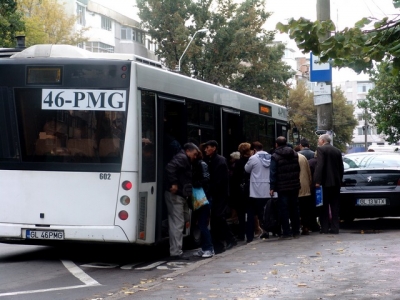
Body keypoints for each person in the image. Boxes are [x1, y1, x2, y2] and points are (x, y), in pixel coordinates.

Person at [165, 142, 199, 259]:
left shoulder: (184, 158)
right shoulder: (182, 158)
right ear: (188, 151)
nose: (195, 157)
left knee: (182, 220)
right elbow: (170, 167)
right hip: (177, 195)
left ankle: (176, 248)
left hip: (181, 195)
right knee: (178, 223)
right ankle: (176, 252)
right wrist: (174, 183)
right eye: (194, 154)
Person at [203, 140, 237, 253]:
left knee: (218, 217)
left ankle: (230, 239)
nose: (206, 150)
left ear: (214, 148)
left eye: (208, 147)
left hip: (220, 194)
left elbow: (218, 180)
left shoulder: (220, 161)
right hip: (217, 193)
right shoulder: (212, 160)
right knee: (215, 219)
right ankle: (219, 244)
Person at [269, 136, 301, 239]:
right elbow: (297, 169)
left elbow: (273, 172)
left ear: (276, 144)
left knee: (284, 209)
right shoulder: (295, 154)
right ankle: (296, 231)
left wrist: (272, 187)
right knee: (294, 208)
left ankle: (286, 232)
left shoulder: (275, 156)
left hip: (282, 186)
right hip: (294, 185)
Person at [314, 134, 344, 234]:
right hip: (336, 182)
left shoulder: (321, 150)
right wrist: (340, 180)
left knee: (324, 206)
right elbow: (341, 167)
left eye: (319, 140)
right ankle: (335, 228)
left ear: (322, 141)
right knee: (335, 206)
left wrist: (317, 181)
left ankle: (325, 228)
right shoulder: (337, 150)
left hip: (324, 183)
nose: (318, 142)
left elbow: (320, 166)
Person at [245, 141, 271, 240]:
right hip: (268, 189)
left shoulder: (253, 158)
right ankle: (266, 231)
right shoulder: (270, 156)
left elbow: (247, 169)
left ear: (254, 150)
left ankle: (249, 237)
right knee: (266, 213)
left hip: (255, 191)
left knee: (251, 213)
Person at [192, 149, 214, 258]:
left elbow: (206, 179)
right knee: (201, 223)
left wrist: (195, 183)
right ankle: (205, 247)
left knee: (202, 224)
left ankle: (209, 248)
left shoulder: (200, 164)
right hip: (201, 196)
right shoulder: (199, 164)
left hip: (203, 197)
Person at [232, 143, 252, 242]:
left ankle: (241, 234)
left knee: (241, 214)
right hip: (250, 189)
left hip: (240, 191)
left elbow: (235, 178)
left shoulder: (238, 163)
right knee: (250, 213)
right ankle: (250, 234)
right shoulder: (252, 161)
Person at [297, 152, 313, 235]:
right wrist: (309, 184)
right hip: (305, 187)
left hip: (293, 187)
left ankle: (295, 228)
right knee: (305, 209)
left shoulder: (287, 157)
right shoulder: (303, 157)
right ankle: (305, 227)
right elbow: (308, 172)